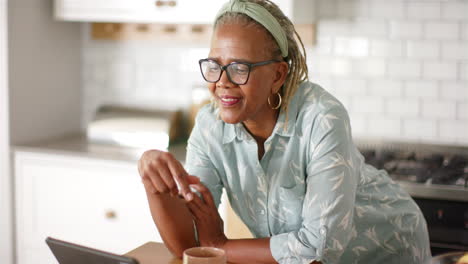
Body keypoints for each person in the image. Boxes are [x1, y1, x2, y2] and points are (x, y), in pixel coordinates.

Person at [137, 0, 431, 263]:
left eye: (239, 68)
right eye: (215, 65)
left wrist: (222, 245)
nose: (222, 82)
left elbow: (318, 250)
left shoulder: (322, 118)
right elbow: (193, 247)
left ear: (278, 74)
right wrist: (156, 188)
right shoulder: (209, 126)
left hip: (390, 249)